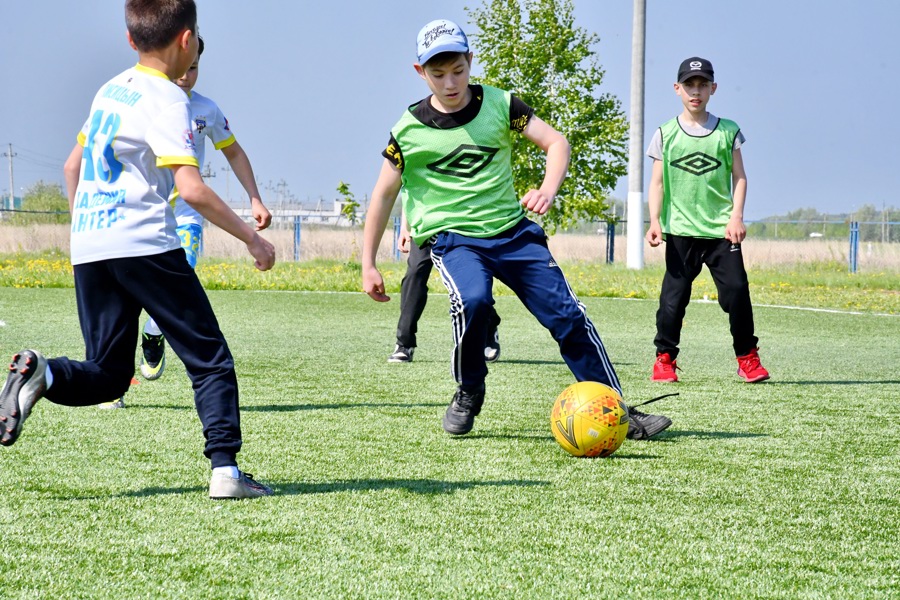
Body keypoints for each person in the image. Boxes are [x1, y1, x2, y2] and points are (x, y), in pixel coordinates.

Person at [0, 0, 276, 499]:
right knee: (209, 357)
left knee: (108, 374)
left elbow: (70, 167)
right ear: (187, 40)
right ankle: (226, 473)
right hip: (144, 240)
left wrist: (87, 226)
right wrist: (251, 237)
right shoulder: (170, 99)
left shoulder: (111, 90)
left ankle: (42, 371)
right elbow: (190, 189)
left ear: (131, 40)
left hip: (90, 242)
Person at [362, 19, 672, 440]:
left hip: (513, 233)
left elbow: (556, 142)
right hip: (455, 240)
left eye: (458, 70)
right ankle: (469, 389)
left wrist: (548, 188)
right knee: (472, 301)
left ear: (471, 62)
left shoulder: (502, 105)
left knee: (567, 315)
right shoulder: (409, 129)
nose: (450, 82)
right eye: (438, 74)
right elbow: (382, 195)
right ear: (420, 72)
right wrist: (368, 264)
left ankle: (617, 409)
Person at [133, 35, 273, 387]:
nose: (185, 74)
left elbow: (234, 152)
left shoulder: (206, 110)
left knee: (181, 279)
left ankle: (153, 332)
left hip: (186, 212)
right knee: (127, 290)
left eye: (194, 67)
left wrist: (255, 198)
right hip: (142, 212)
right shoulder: (141, 102)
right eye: (182, 66)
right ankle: (110, 381)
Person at [645, 57, 770, 384]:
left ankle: (747, 358)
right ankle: (665, 359)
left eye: (702, 84)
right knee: (673, 301)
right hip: (681, 231)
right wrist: (654, 220)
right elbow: (656, 183)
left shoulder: (728, 131)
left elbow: (740, 178)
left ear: (713, 88)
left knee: (737, 292)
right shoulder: (665, 133)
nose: (695, 91)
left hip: (721, 233)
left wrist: (736, 217)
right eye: (689, 85)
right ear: (677, 89)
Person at [389, 210, 501, 363]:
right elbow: (409, 190)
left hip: (459, 227)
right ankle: (404, 344)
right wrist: (404, 227)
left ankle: (488, 328)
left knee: (468, 283)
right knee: (415, 274)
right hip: (425, 228)